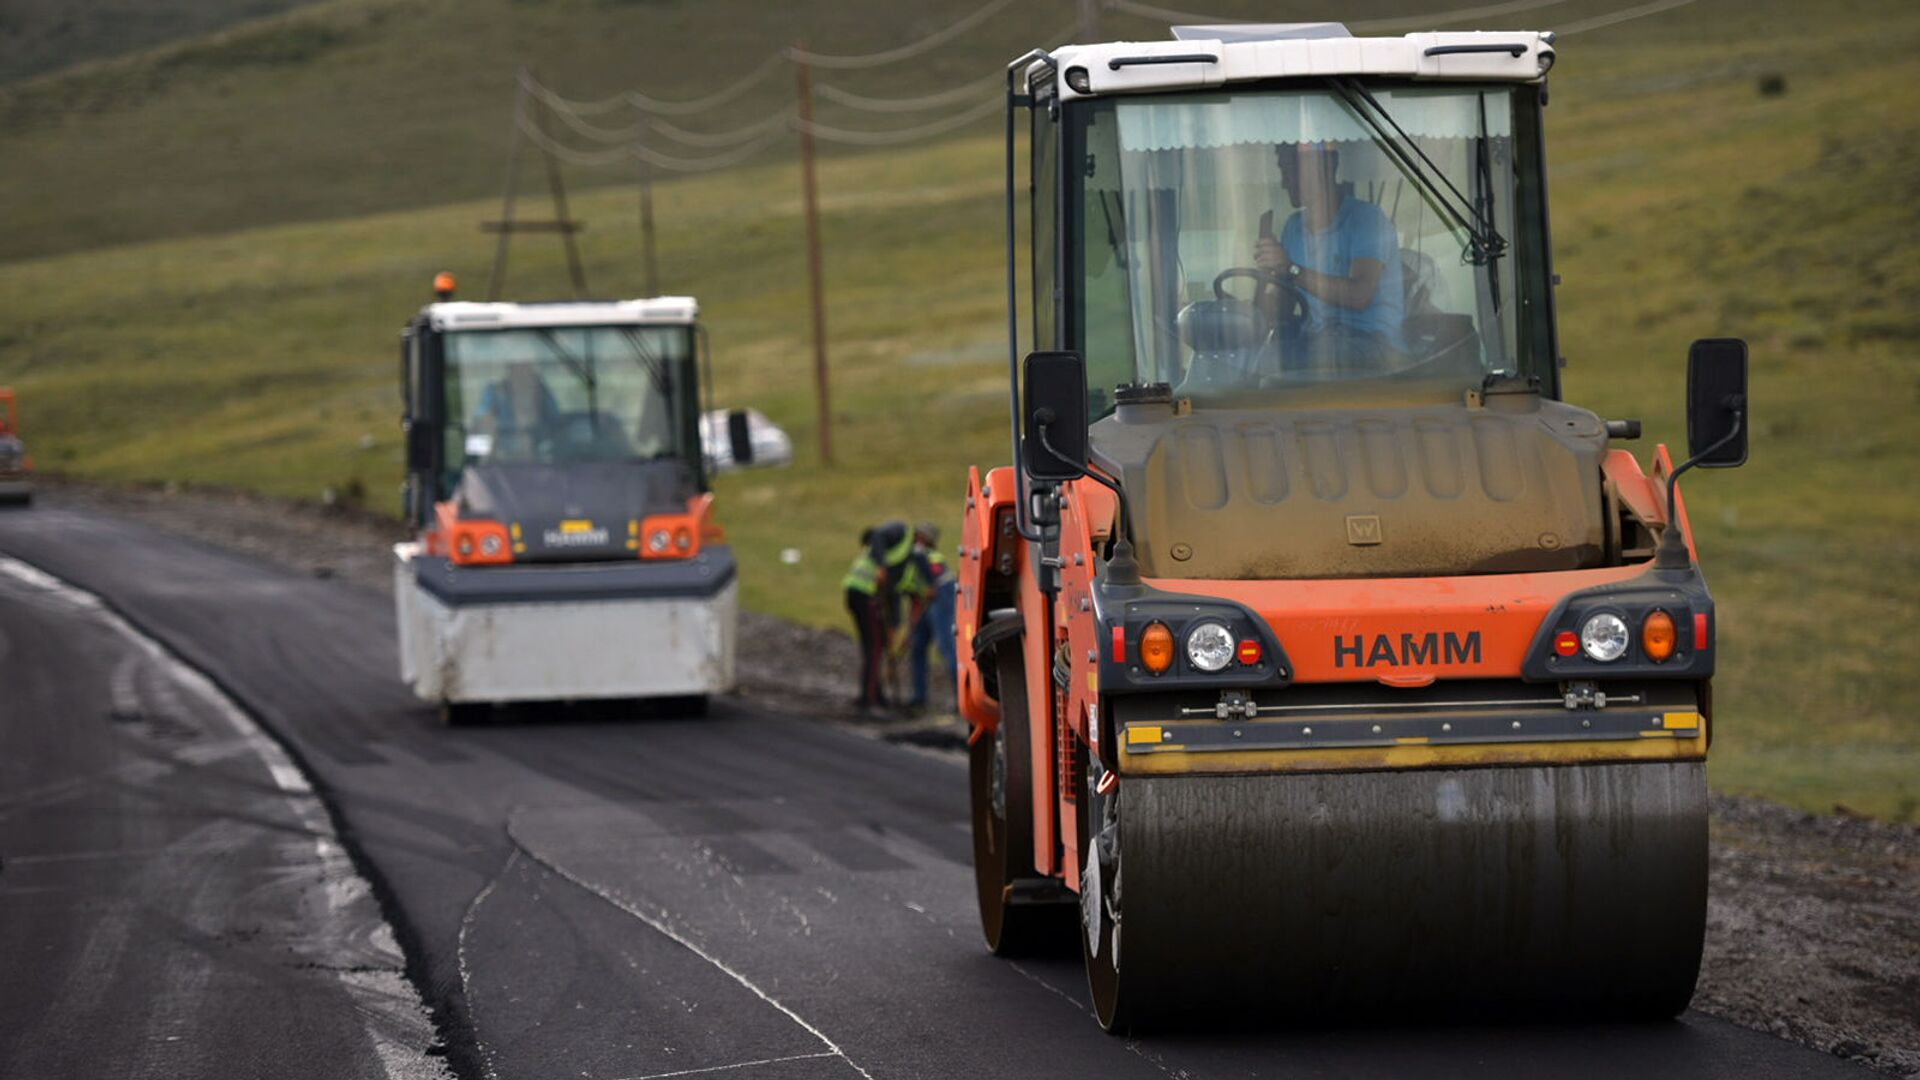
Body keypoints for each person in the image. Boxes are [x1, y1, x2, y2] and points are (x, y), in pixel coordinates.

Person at [1254, 142, 1406, 370]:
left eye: (1291, 171)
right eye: (1283, 171)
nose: (1285, 182)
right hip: (1319, 340)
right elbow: (1284, 306)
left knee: (1309, 359)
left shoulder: (1366, 220)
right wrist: (1248, 309)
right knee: (1260, 360)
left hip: (1372, 345)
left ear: (1327, 167)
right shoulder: (1293, 228)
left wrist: (1291, 268)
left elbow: (1359, 296)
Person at [842, 521, 913, 714]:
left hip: (866, 597)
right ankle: (870, 699)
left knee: (876, 646)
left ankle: (876, 694)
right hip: (865, 596)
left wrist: (894, 626)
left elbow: (893, 592)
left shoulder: (902, 559)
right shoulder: (899, 533)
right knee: (874, 648)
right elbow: (879, 536)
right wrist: (881, 567)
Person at [898, 522, 958, 713]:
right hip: (926, 599)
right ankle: (919, 697)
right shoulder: (912, 561)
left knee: (946, 646)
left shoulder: (924, 556)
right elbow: (915, 597)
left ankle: (961, 700)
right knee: (917, 647)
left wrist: (931, 586)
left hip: (941, 595)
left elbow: (933, 586)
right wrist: (911, 627)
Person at [472, 362, 562, 459]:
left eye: (528, 367)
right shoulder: (494, 393)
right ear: (510, 371)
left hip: (539, 463)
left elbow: (559, 427)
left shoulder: (542, 392)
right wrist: (483, 459)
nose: (524, 374)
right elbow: (480, 428)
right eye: (519, 368)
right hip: (500, 463)